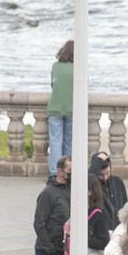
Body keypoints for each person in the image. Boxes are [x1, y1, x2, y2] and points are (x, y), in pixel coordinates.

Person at [32, 156, 71, 255]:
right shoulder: (48, 193)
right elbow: (38, 223)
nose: (72, 175)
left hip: (64, 250)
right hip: (48, 251)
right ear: (60, 171)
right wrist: (50, 247)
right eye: (69, 172)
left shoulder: (71, 189)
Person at [46, 40, 73, 175]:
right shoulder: (78, 68)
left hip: (55, 107)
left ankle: (54, 173)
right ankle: (68, 172)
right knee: (69, 143)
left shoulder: (55, 66)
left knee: (55, 143)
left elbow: (53, 84)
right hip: (71, 109)